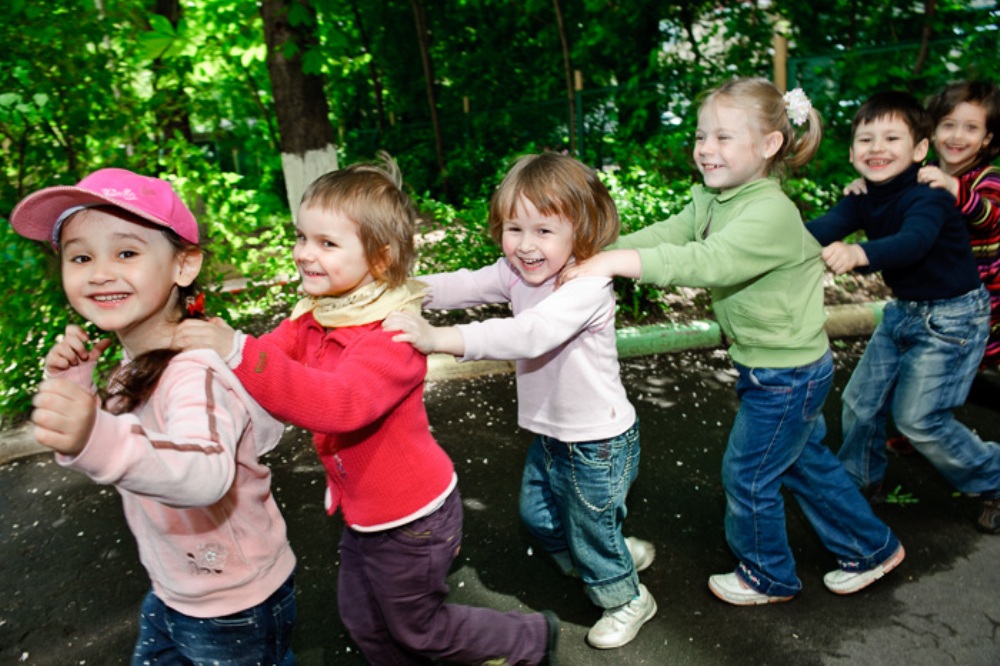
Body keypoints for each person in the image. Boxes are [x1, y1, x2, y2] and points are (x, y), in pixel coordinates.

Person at [173, 153, 559, 665]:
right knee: (364, 620)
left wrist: (240, 352)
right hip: (365, 515)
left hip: (413, 519)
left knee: (420, 629)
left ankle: (530, 639)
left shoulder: (391, 335)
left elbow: (340, 405)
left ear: (378, 260)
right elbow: (264, 359)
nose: (305, 254)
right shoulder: (317, 314)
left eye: (326, 243)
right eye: (302, 237)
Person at [560, 78, 905, 605]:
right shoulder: (715, 198)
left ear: (768, 146)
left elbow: (704, 261)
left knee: (747, 476)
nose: (704, 148)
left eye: (723, 137)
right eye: (701, 136)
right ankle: (872, 547)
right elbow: (671, 234)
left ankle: (768, 576)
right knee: (801, 462)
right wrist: (598, 250)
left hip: (785, 373)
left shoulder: (768, 213)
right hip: (778, 365)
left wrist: (612, 263)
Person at [10, 168, 298, 664]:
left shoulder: (193, 372)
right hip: (173, 586)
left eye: (126, 252)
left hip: (232, 605)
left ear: (184, 265)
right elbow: (124, 447)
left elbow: (202, 473)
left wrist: (95, 434)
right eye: (81, 256)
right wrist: (79, 389)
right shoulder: (132, 362)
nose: (99, 272)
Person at [384, 152, 657, 650]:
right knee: (540, 517)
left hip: (597, 443)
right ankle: (608, 554)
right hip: (554, 435)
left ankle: (626, 598)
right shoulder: (516, 272)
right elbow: (462, 284)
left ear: (582, 229)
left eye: (544, 231)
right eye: (515, 229)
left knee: (590, 528)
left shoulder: (586, 285)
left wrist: (439, 337)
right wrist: (401, 290)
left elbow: (531, 334)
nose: (526, 246)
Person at [807, 90, 1000, 534]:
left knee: (920, 419)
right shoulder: (861, 197)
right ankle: (858, 482)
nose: (877, 148)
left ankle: (991, 475)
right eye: (865, 139)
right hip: (904, 312)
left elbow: (913, 242)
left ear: (918, 150)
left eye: (891, 138)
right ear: (852, 151)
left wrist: (859, 253)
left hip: (953, 317)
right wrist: (764, 237)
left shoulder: (929, 194)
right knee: (860, 401)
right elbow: (816, 232)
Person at [845, 81, 1000, 456]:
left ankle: (939, 436)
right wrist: (867, 188)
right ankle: (923, 431)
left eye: (970, 127)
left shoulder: (987, 178)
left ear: (986, 139)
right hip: (927, 301)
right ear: (931, 133)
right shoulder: (920, 172)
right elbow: (890, 203)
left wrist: (955, 190)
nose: (956, 136)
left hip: (982, 303)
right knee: (916, 379)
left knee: (954, 377)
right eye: (948, 125)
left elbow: (990, 215)